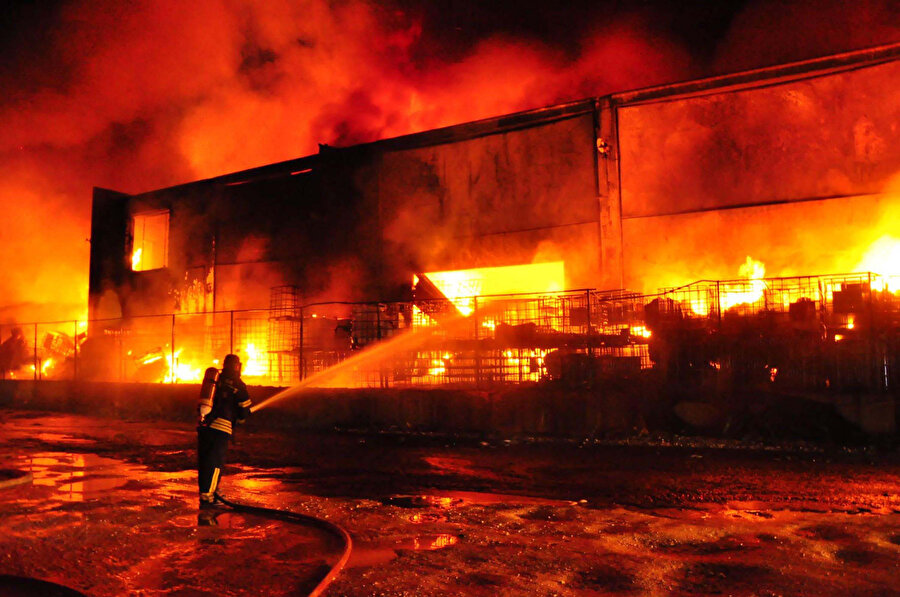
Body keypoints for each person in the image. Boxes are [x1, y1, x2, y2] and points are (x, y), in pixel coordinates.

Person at [197, 353, 251, 508]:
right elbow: (245, 407)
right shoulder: (238, 384)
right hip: (221, 428)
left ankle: (207, 491)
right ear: (237, 366)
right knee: (215, 463)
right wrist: (242, 418)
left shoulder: (216, 379)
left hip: (204, 425)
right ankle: (209, 496)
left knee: (205, 461)